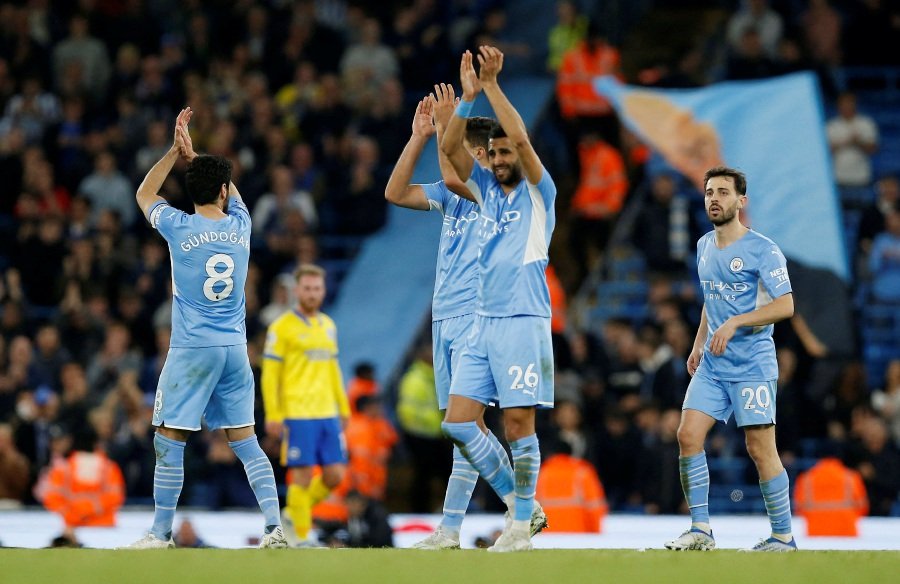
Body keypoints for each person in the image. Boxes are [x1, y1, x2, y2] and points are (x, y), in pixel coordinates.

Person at [384, 81, 546, 548]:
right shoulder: (450, 193)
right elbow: (394, 192)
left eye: (466, 147)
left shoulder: (494, 191)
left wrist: (444, 129)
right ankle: (452, 529)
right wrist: (419, 135)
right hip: (444, 318)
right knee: (463, 430)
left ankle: (520, 508)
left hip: (479, 315)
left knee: (466, 424)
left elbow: (455, 169)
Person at [123, 108, 286, 549]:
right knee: (246, 441)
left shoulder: (177, 226)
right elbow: (232, 194)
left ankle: (160, 534)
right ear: (222, 190)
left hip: (192, 348)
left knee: (169, 438)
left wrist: (175, 154)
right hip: (235, 349)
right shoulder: (242, 226)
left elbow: (144, 192)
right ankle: (274, 528)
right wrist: (196, 158)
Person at [440, 46, 557, 552]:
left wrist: (491, 85)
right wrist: (466, 101)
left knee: (516, 424)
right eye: (497, 153)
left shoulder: (538, 193)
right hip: (483, 323)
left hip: (522, 319)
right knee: (458, 424)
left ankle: (521, 524)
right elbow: (448, 152)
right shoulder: (484, 189)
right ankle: (521, 508)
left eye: (510, 152)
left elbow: (523, 138)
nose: (504, 159)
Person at [664, 166, 798, 552]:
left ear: (741, 201)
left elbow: (786, 305)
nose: (714, 199)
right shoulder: (704, 245)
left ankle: (783, 537)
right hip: (713, 364)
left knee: (760, 449)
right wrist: (698, 341)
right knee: (687, 435)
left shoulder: (763, 249)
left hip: (752, 364)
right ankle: (700, 531)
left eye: (723, 192)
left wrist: (737, 322)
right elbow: (712, 298)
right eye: (709, 192)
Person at [261, 263, 350, 547]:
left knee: (335, 476)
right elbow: (270, 375)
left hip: (327, 413)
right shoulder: (281, 328)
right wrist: (274, 413)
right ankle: (301, 536)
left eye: (317, 288)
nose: (313, 293)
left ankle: (292, 514)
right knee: (300, 476)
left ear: (323, 291)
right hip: (298, 413)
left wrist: (343, 407)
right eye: (308, 288)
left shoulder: (328, 325)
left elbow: (333, 368)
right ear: (297, 290)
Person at [41, 427, 125, 538]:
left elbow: (51, 498)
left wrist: (72, 514)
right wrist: (92, 510)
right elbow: (116, 497)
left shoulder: (63, 468)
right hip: (104, 528)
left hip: (73, 527)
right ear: (97, 444)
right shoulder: (109, 468)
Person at [534, 441, 607, 533]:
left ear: (552, 454)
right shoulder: (583, 472)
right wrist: (595, 531)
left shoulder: (541, 474)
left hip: (549, 535)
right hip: (579, 533)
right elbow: (595, 507)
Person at [794, 453, 868, 536]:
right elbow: (862, 507)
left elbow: (799, 508)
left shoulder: (806, 479)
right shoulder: (851, 477)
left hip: (815, 534)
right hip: (847, 533)